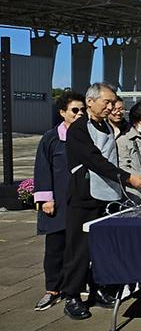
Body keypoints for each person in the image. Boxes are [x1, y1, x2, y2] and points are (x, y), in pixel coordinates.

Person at [62, 83, 141, 320]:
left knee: (101, 246)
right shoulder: (78, 129)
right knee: (79, 249)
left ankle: (99, 290)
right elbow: (95, 160)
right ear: (90, 102)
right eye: (107, 102)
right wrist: (128, 179)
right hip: (84, 196)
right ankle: (72, 295)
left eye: (113, 102)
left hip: (106, 194)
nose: (111, 106)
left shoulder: (105, 124)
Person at [32, 92, 86, 311]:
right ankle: (52, 289)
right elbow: (42, 168)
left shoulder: (87, 135)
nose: (79, 114)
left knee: (79, 247)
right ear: (62, 112)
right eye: (75, 110)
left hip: (81, 201)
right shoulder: (51, 137)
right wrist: (46, 198)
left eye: (82, 110)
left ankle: (76, 286)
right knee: (55, 247)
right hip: (58, 202)